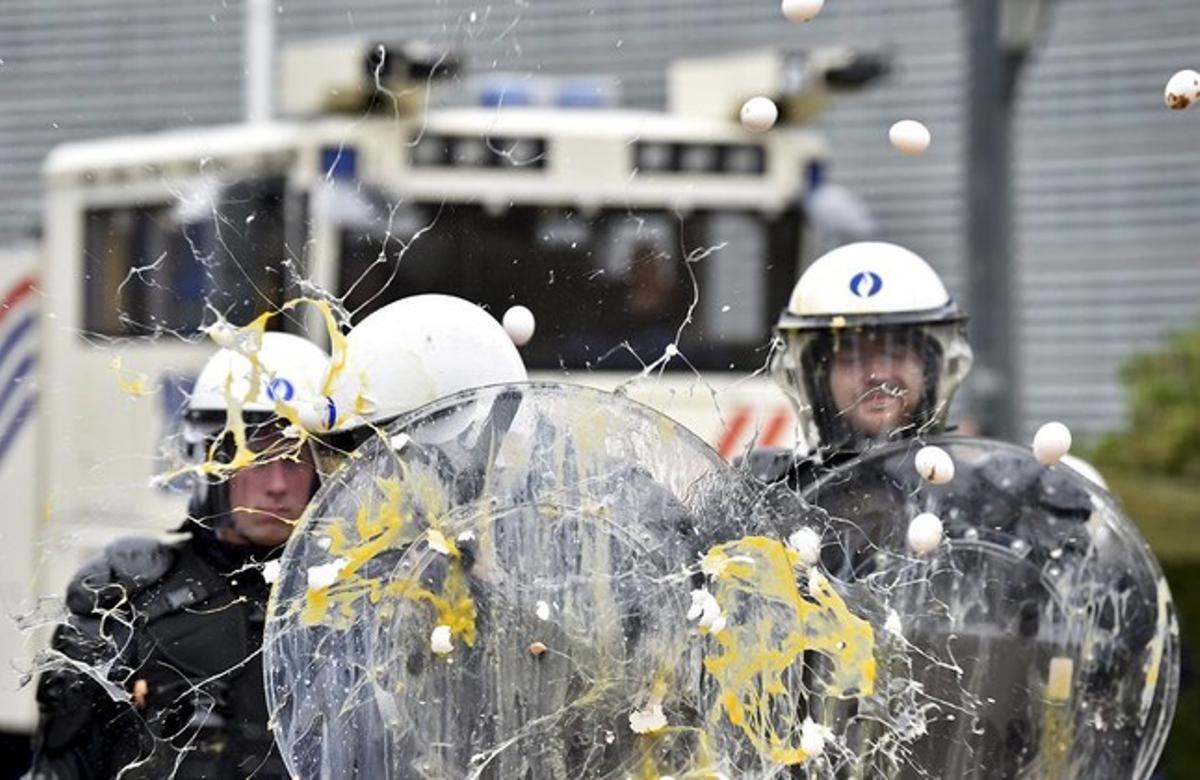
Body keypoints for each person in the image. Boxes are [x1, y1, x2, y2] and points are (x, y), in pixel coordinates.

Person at [25, 330, 329, 779]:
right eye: (257, 457)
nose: (278, 484)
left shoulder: (354, 606)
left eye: (294, 457)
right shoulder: (124, 598)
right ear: (212, 460)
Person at [747, 241, 973, 488]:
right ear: (818, 381)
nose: (877, 374)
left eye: (896, 352)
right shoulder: (772, 494)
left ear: (930, 370)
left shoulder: (982, 498)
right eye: (851, 357)